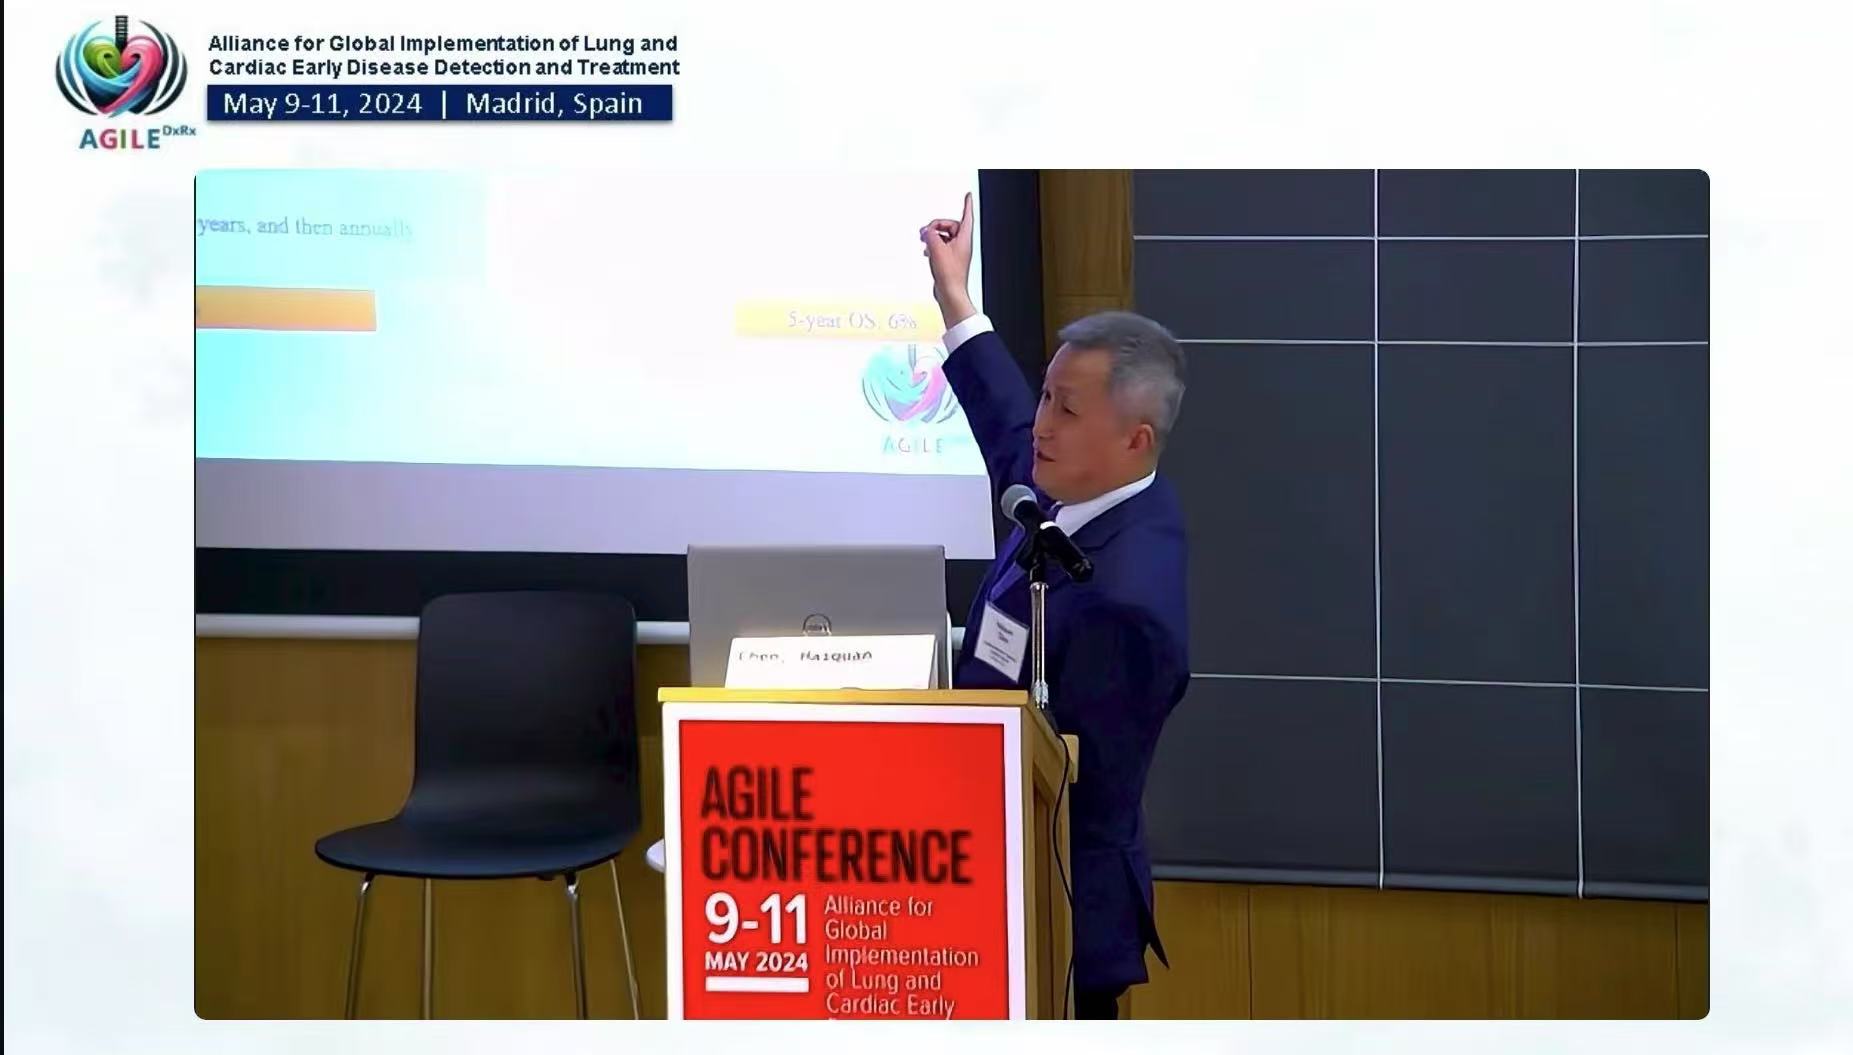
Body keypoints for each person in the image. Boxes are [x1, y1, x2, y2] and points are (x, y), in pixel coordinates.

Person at [920, 194, 1190, 1019]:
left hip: (1055, 909)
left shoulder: (1125, 601)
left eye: (1064, 409)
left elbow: (1084, 792)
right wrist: (955, 296)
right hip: (991, 873)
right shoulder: (1070, 479)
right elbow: (1006, 421)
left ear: (1134, 439)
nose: (1039, 424)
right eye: (1046, 395)